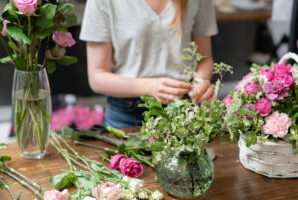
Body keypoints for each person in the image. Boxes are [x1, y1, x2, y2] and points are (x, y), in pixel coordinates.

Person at [80, 0, 218, 128]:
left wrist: (199, 84)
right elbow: (97, 77)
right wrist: (151, 87)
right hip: (127, 117)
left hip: (184, 111)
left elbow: (204, 59)